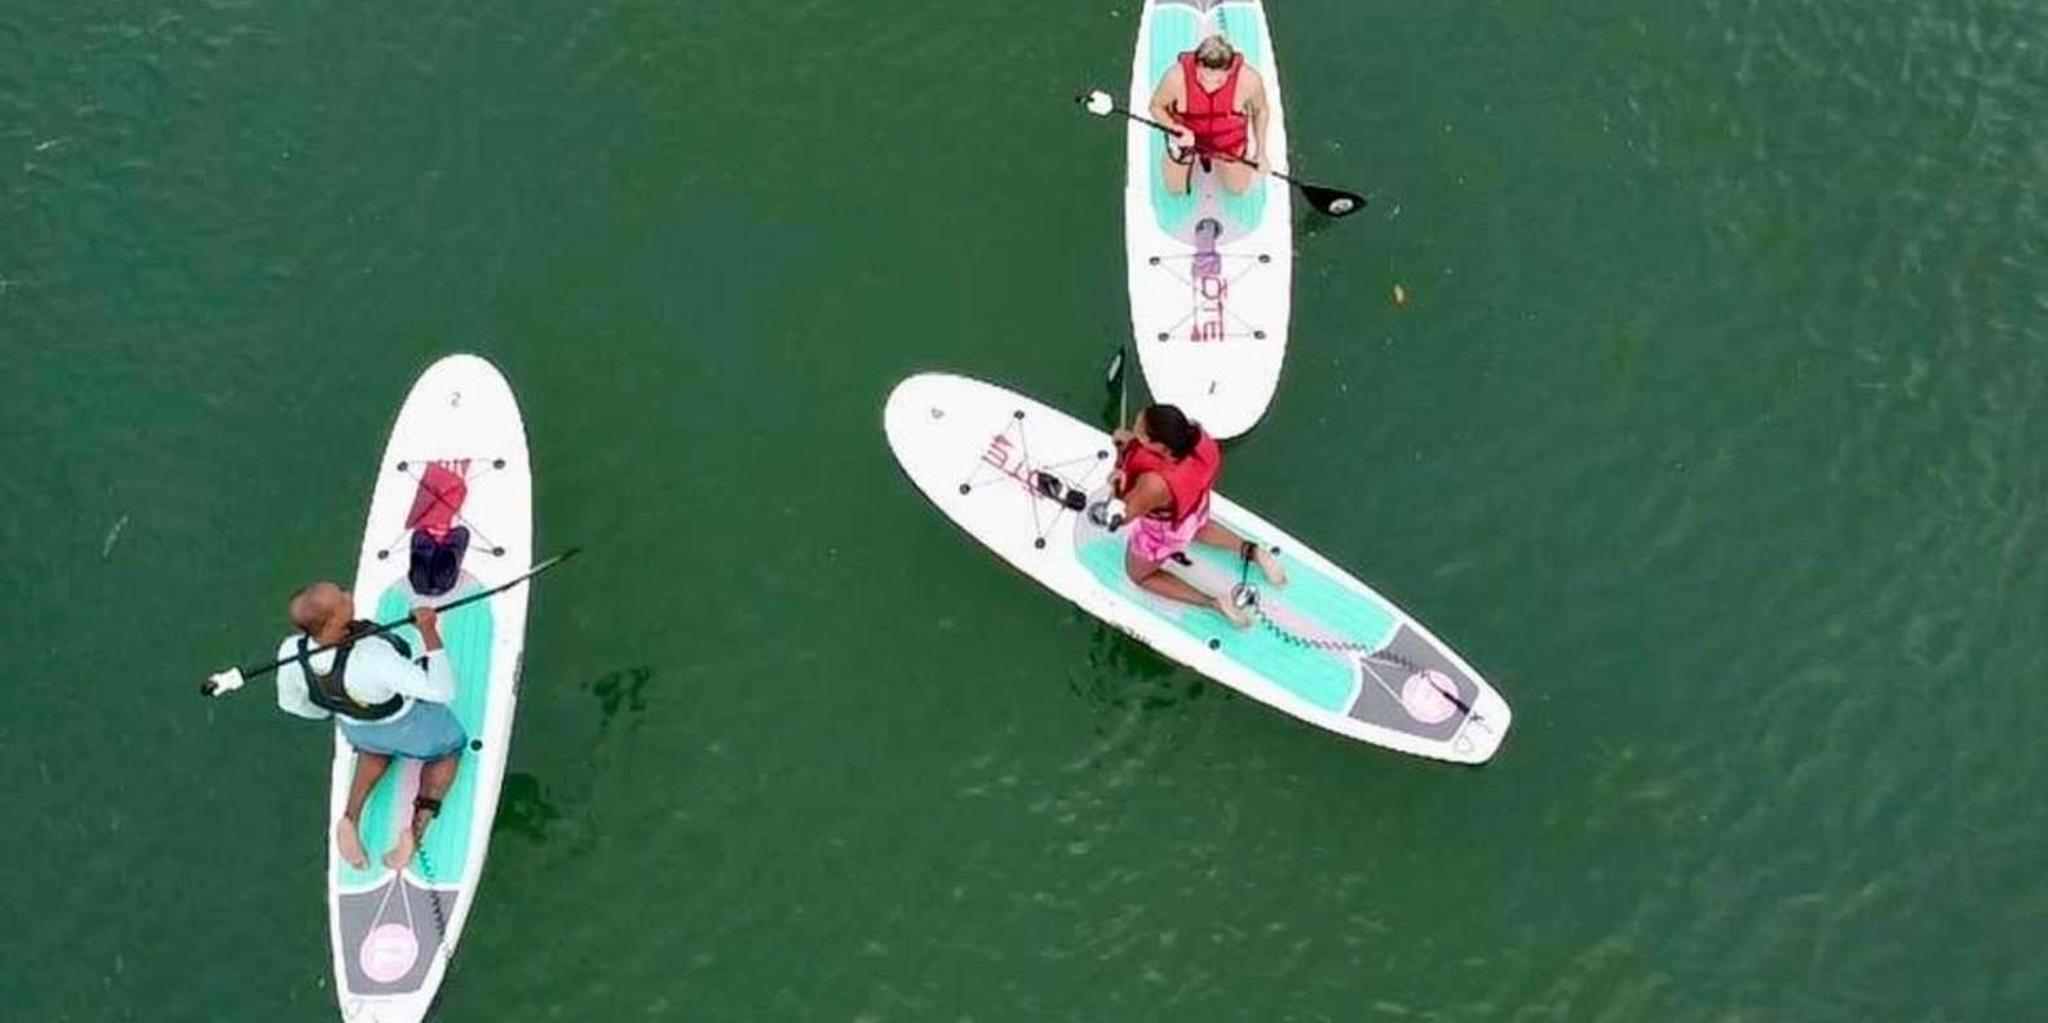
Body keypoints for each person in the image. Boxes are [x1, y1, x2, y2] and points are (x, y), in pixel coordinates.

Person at [275, 582, 466, 871]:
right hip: (406, 726)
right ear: (331, 625)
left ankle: (350, 817)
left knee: (373, 749)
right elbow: (443, 690)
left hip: (356, 728)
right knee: (449, 749)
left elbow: (292, 704)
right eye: (342, 601)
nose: (349, 595)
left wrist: (333, 712)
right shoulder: (374, 656)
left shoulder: (291, 650)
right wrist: (428, 630)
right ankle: (415, 830)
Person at [1101, 404, 1285, 627]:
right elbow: (1167, 461)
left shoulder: (1153, 485)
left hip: (1165, 532)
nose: (1134, 431)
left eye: (1140, 432)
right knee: (1197, 527)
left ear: (1160, 446)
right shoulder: (1198, 438)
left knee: (1139, 576)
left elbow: (1124, 514)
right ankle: (1254, 552)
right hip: (1195, 508)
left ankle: (1213, 602)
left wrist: (1118, 473)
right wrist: (1131, 442)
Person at [1148, 33, 1272, 196]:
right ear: (1196, 65)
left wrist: (1261, 152)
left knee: (1238, 188)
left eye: (1219, 80)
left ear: (1230, 70)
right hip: (1186, 140)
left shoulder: (1250, 80)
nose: (1210, 84)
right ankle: (1178, 160)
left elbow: (1261, 110)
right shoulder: (1175, 78)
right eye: (1202, 77)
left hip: (1227, 144)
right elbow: (1155, 107)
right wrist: (1174, 128)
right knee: (1175, 189)